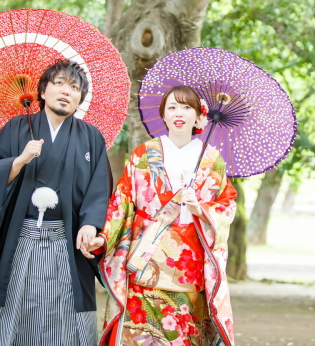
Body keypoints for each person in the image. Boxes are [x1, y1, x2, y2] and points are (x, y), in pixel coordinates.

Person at [0, 58, 111, 346]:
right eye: (59, 83)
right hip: (22, 237)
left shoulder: (91, 137)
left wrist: (91, 224)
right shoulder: (15, 129)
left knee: (69, 316)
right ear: (43, 91)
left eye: (74, 87)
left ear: (80, 98)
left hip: (68, 239)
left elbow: (100, 188)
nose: (66, 91)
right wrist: (19, 160)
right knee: (16, 308)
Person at [88, 85, 237, 346]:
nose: (179, 113)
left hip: (189, 265)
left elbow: (227, 205)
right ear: (163, 115)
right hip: (145, 258)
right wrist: (104, 236)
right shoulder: (144, 154)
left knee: (182, 336)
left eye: (186, 107)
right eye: (172, 107)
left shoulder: (212, 160)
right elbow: (122, 201)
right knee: (139, 335)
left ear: (198, 116)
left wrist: (200, 209)